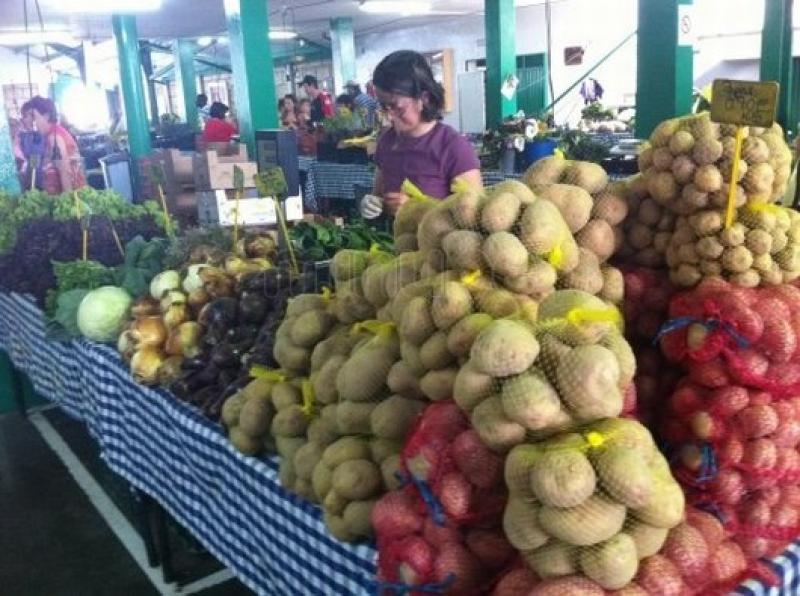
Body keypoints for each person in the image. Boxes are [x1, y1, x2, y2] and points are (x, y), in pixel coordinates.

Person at [360, 50, 481, 219]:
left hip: (438, 237)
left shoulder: (454, 148)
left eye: (396, 107)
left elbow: (472, 217)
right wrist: (373, 204)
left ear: (424, 98)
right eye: (383, 106)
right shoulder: (387, 141)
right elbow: (380, 195)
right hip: (390, 236)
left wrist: (416, 209)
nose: (389, 116)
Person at [28, 96, 86, 194]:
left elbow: (65, 170)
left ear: (46, 116)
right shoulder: (49, 135)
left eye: (34, 117)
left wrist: (67, 199)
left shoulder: (54, 137)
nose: (32, 122)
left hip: (72, 196)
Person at [13, 101, 46, 190]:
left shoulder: (37, 134)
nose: (33, 119)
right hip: (28, 178)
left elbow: (36, 156)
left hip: (38, 177)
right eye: (30, 116)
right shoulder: (21, 135)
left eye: (34, 116)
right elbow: (31, 156)